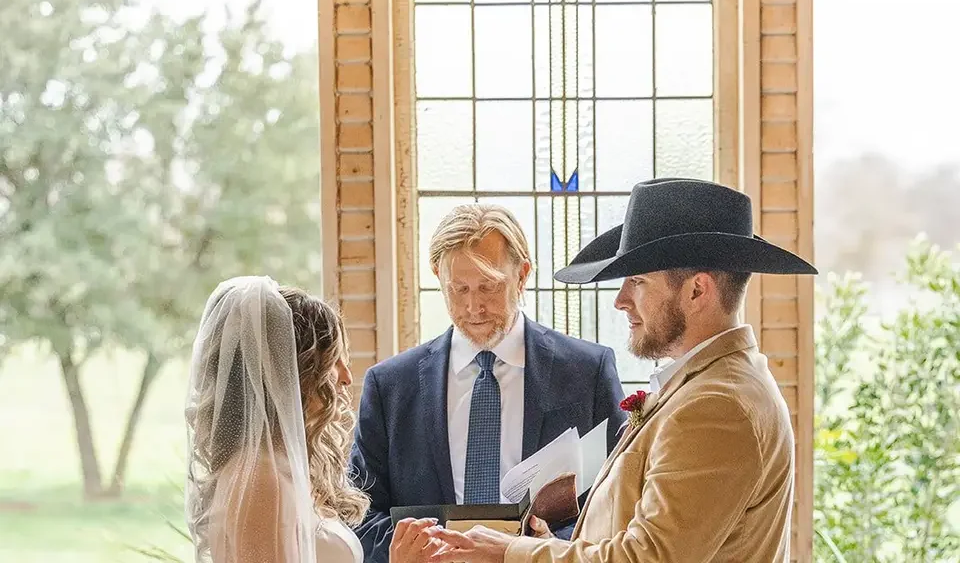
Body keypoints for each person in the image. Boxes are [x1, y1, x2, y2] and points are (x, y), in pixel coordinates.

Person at [419, 178, 818, 562]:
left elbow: (647, 558)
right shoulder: (706, 386)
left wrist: (510, 553)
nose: (622, 300)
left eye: (638, 281)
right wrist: (546, 543)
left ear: (697, 291)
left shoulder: (717, 406)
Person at [351, 204, 628, 563]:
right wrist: (410, 550)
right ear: (438, 275)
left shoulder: (587, 371)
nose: (474, 307)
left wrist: (545, 546)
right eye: (459, 289)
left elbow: (620, 500)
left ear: (523, 274)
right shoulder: (389, 386)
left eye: (489, 287)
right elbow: (358, 515)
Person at [183, 276, 440, 563]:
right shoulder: (261, 482)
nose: (346, 377)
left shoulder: (283, 465)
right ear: (293, 372)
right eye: (333, 361)